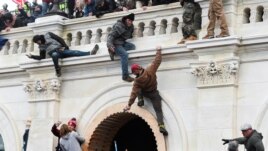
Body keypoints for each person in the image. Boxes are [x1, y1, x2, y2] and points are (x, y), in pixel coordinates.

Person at [123, 46, 168, 136]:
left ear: (135, 72)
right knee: (158, 110)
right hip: (154, 93)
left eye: (133, 72)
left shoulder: (137, 82)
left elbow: (133, 94)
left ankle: (140, 100)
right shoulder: (150, 70)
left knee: (138, 90)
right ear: (140, 68)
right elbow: (157, 61)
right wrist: (158, 51)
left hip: (145, 93)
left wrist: (129, 105)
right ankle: (161, 125)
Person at [26, 32, 99, 77]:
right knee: (54, 55)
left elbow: (59, 39)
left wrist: (65, 46)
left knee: (74, 52)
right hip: (54, 53)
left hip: (60, 49)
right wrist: (32, 56)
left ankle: (90, 53)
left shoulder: (48, 35)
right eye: (37, 42)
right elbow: (42, 57)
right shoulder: (41, 47)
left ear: (39, 39)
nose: (38, 43)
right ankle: (57, 69)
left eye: (37, 41)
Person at [107, 13, 136, 82]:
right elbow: (111, 36)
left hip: (122, 42)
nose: (130, 22)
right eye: (128, 20)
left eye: (131, 21)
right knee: (124, 54)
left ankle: (113, 51)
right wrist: (110, 45)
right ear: (126, 19)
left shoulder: (131, 26)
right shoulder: (118, 26)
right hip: (115, 43)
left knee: (132, 47)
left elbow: (129, 35)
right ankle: (125, 76)